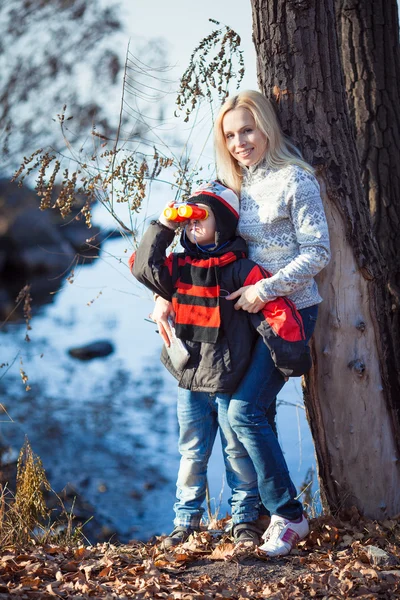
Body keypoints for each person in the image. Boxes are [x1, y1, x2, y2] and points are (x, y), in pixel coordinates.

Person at [152, 90, 331, 557]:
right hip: (239, 319)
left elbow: (318, 253)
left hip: (287, 313)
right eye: (230, 135)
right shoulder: (231, 184)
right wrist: (161, 296)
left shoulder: (297, 180)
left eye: (247, 130)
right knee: (254, 414)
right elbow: (194, 249)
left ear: (266, 127)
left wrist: (263, 290)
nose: (239, 142)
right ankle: (255, 515)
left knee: (242, 412)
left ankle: (289, 516)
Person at [130, 180, 312, 549]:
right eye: (189, 220)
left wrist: (291, 353)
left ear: (225, 225)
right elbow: (143, 266)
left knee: (236, 452)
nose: (193, 225)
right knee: (192, 452)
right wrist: (164, 226)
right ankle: (185, 520)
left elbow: (275, 312)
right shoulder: (179, 266)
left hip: (230, 376)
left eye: (203, 218)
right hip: (190, 378)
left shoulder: (243, 270)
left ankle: (244, 518)